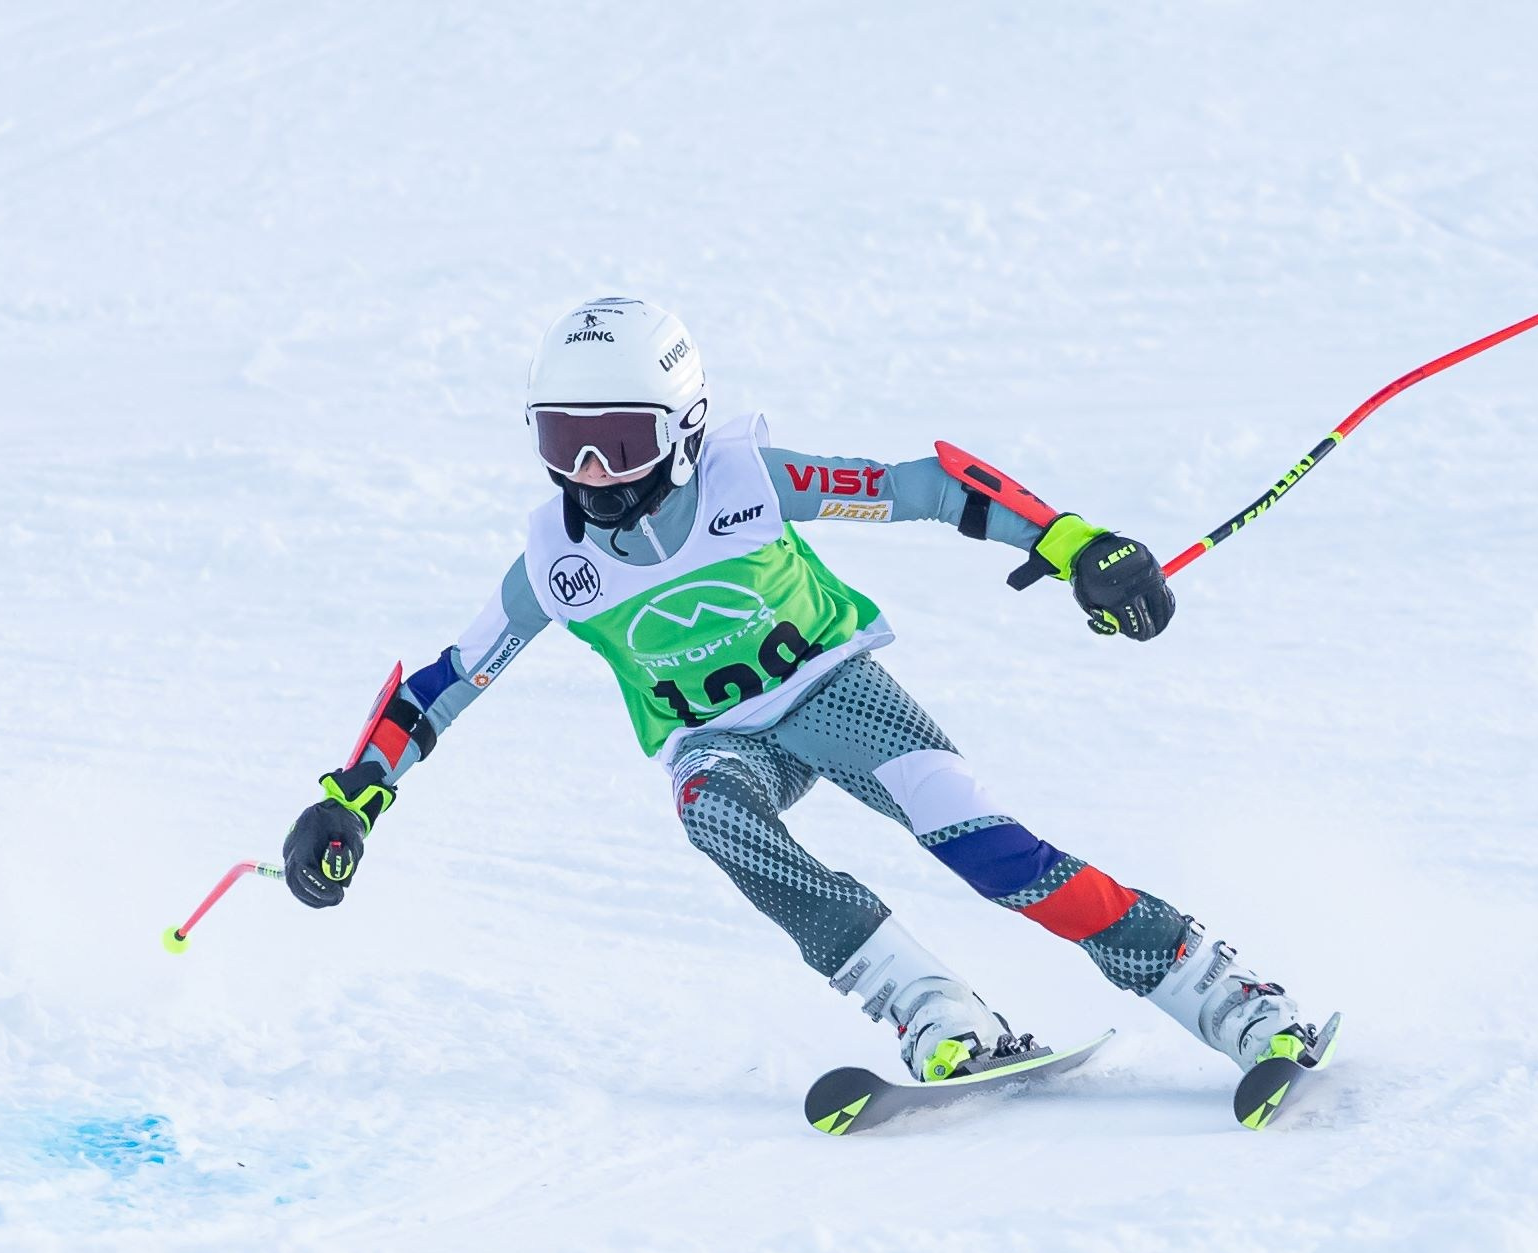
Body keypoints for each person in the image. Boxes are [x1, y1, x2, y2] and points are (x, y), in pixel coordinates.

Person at [282, 297, 1322, 1084]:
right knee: (712, 812)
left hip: (837, 693)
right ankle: (930, 1007)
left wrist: (1071, 542)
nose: (594, 472)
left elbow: (929, 487)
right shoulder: (560, 562)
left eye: (622, 440)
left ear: (688, 429)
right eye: (566, 440)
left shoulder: (750, 483)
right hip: (718, 736)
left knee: (984, 846)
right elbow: (446, 684)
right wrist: (353, 796)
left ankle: (1213, 987)